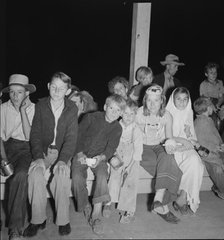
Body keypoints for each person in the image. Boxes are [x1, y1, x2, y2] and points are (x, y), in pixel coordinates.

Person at [23, 72, 78, 237]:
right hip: (44, 152)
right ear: (48, 86)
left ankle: (63, 220)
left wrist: (63, 160)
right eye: (53, 87)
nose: (56, 91)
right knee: (34, 174)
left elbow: (71, 138)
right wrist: (38, 157)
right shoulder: (41, 106)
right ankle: (37, 219)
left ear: (68, 91)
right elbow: (36, 134)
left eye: (61, 88)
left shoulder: (72, 108)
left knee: (62, 175)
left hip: (62, 152)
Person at [71, 94, 126, 235]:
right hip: (81, 153)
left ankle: (95, 214)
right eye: (111, 108)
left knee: (102, 175)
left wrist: (101, 158)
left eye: (118, 110)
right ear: (105, 107)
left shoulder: (118, 128)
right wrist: (80, 154)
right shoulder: (91, 118)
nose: (114, 112)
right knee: (77, 177)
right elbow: (77, 137)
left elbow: (110, 148)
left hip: (99, 157)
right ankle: (84, 205)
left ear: (121, 113)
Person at [135, 84, 182, 224]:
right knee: (172, 169)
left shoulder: (167, 115)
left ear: (162, 100)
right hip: (142, 146)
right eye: (149, 100)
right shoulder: (138, 113)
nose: (152, 104)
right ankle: (163, 207)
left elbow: (169, 138)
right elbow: (132, 134)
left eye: (156, 100)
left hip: (159, 145)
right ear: (144, 100)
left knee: (169, 158)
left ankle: (157, 199)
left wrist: (170, 146)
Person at [0, 74, 36, 240]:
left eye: (19, 92)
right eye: (12, 92)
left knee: (20, 176)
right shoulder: (2, 108)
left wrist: (22, 110)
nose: (15, 96)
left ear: (26, 93)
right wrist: (3, 159)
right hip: (6, 147)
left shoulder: (34, 109)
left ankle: (15, 229)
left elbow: (30, 137)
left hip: (26, 149)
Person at [103, 99, 143, 224]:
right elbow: (111, 143)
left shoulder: (136, 129)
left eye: (132, 114)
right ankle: (108, 202)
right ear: (121, 114)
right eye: (126, 113)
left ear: (135, 115)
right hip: (117, 154)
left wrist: (132, 163)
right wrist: (113, 156)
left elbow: (138, 148)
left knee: (130, 181)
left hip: (132, 157)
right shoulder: (116, 126)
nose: (129, 117)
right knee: (114, 177)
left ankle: (128, 210)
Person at [166, 87, 204, 214]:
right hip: (171, 145)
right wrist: (182, 141)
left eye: (185, 99)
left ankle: (182, 196)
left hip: (186, 145)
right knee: (182, 162)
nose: (182, 102)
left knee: (195, 161)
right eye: (179, 99)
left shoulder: (189, 112)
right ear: (173, 99)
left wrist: (191, 139)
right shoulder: (167, 112)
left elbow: (191, 135)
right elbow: (165, 136)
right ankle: (182, 197)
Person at [194, 96, 224, 200]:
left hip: (214, 150)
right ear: (208, 108)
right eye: (211, 106)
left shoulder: (207, 120)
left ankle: (217, 187)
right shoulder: (202, 122)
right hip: (208, 154)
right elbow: (203, 142)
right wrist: (217, 148)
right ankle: (221, 190)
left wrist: (220, 146)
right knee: (218, 167)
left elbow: (214, 137)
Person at [199, 62, 224, 131]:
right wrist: (213, 107)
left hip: (218, 103)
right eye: (211, 72)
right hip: (208, 103)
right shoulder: (203, 85)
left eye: (215, 72)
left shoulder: (220, 82)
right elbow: (205, 99)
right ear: (206, 74)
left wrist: (218, 104)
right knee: (213, 119)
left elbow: (221, 96)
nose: (214, 74)